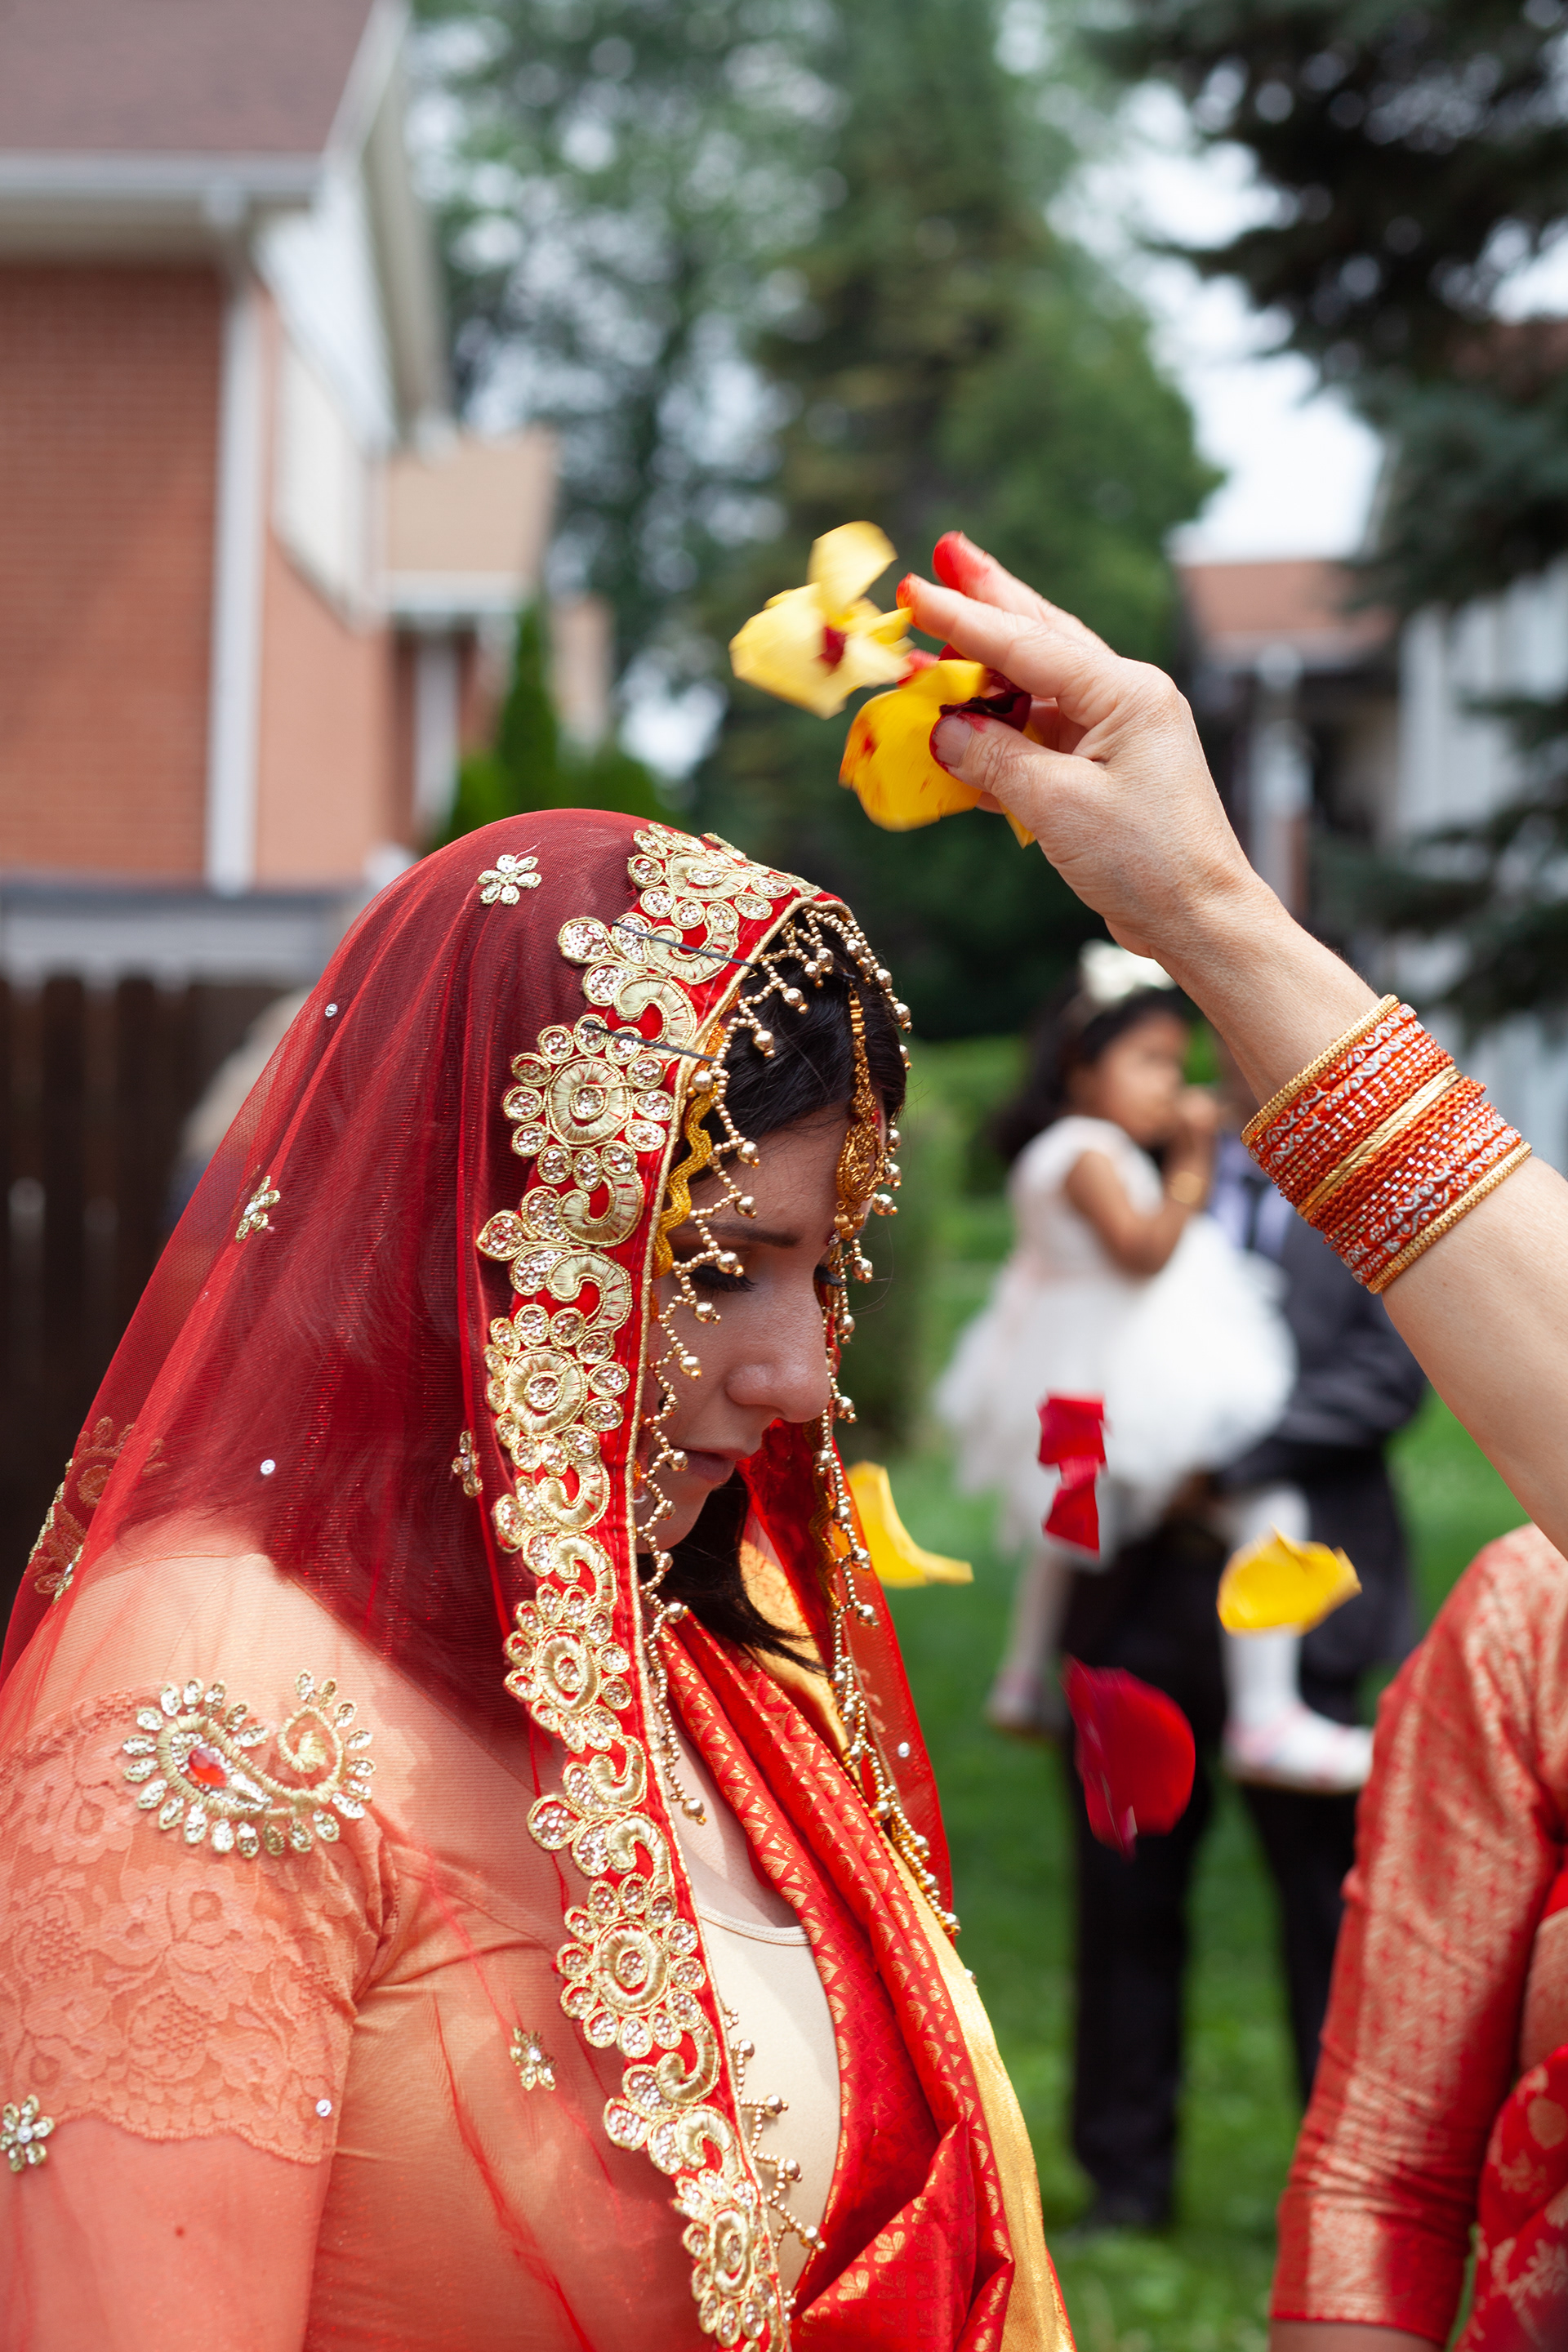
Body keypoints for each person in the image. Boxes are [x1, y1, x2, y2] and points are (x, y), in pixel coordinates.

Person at [0, 812, 1068, 2351]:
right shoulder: (203, 1716)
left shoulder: (683, 1642)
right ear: (478, 1247)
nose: (799, 1374)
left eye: (822, 1273)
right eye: (714, 1269)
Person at [896, 529, 1568, 2352]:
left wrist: (1203, 915)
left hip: (1294, 1554)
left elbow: (1410, 1361)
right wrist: (1196, 905)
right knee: (1131, 1901)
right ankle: (1122, 2166)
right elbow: (1390, 2179)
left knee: (1296, 1899)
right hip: (1136, 1557)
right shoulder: (1534, 1646)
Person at [935, 944, 1298, 1748]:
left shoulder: (1064, 1152)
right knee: (1264, 1503)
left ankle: (1024, 1676)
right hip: (1113, 1377)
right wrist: (1195, 1162)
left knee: (1067, 1529)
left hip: (1067, 1365)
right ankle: (1267, 1709)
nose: (1171, 1082)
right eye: (1150, 1060)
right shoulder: (1088, 1154)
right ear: (1080, 1065)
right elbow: (1144, 1250)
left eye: (1176, 1062)